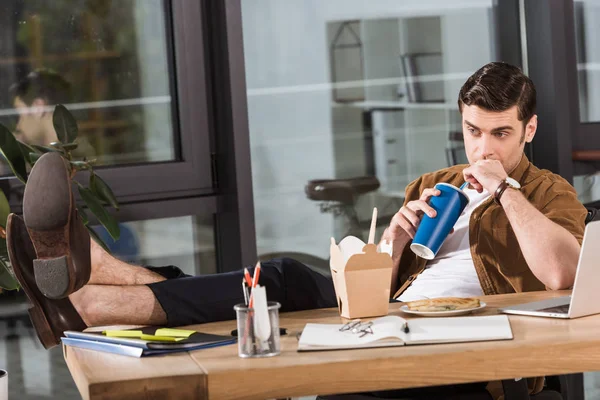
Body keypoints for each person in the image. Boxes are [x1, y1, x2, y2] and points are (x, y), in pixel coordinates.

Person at [7, 62, 587, 398]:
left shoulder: (545, 192)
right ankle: (92, 288)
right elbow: (374, 284)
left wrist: (503, 189)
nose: (482, 148)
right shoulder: (437, 181)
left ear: (529, 130)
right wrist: (395, 243)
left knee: (270, 303)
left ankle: (91, 292)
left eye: (500, 134)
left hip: (460, 340)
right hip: (384, 314)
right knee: (272, 280)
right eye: (472, 131)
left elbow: (564, 271)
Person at [9, 68, 95, 156]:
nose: (18, 126)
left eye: (20, 115)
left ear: (38, 107)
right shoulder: (71, 152)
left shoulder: (73, 158)